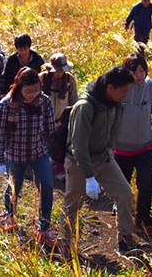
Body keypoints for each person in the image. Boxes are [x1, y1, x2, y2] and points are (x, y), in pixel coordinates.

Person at [61, 66, 139, 255]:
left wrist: (109, 151)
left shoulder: (114, 103)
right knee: (73, 205)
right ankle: (65, 246)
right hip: (79, 163)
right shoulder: (85, 107)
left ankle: (125, 239)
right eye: (124, 91)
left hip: (103, 159)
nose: (126, 95)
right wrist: (89, 177)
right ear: (110, 88)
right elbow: (78, 146)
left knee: (125, 194)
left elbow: (113, 131)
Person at [0, 67, 56, 246]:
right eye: (29, 91)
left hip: (38, 151)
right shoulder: (6, 105)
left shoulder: (44, 102)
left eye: (37, 90)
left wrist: (55, 153)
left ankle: (44, 227)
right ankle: (9, 215)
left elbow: (50, 129)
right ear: (19, 87)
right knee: (14, 188)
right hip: (15, 154)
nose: (33, 94)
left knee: (47, 186)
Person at [114, 53, 152, 237]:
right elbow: (111, 116)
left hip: (145, 146)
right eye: (134, 72)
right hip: (121, 148)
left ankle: (143, 219)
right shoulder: (121, 89)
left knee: (145, 184)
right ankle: (123, 214)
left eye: (142, 71)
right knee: (123, 185)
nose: (139, 76)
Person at [39, 53, 79, 181]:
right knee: (42, 145)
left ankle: (58, 171)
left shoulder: (69, 80)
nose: (59, 73)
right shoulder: (42, 79)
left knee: (60, 147)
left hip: (61, 121)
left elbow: (73, 100)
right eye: (57, 71)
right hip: (43, 119)